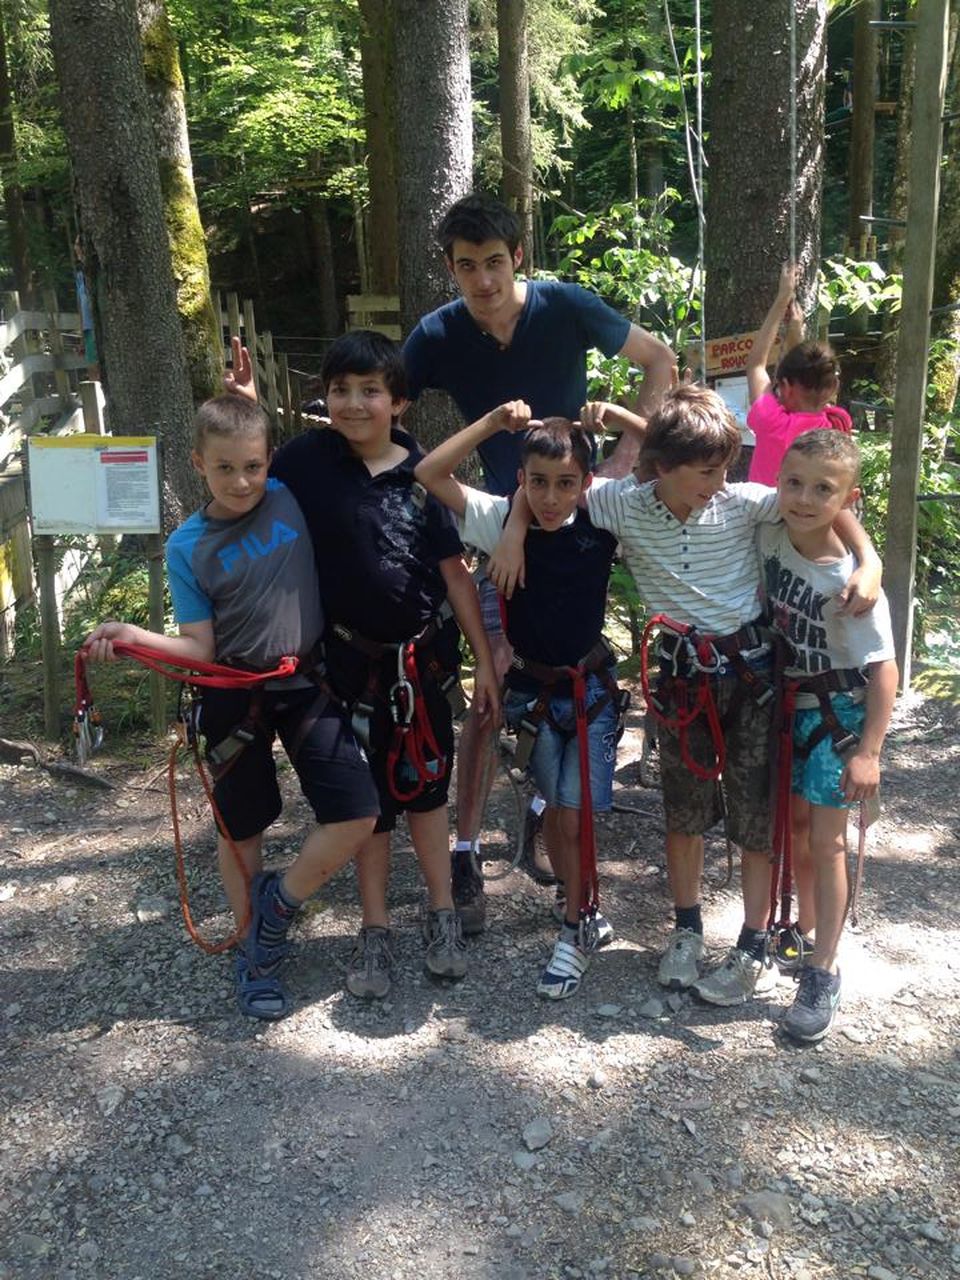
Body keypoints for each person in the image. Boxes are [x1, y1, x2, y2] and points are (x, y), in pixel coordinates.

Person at [402, 192, 677, 931]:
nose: (483, 281)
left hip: (570, 520)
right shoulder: (439, 333)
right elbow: (386, 404)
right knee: (489, 688)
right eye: (467, 267)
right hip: (500, 534)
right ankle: (465, 851)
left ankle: (544, 814)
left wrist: (621, 459)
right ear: (451, 269)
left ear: (517, 256)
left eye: (494, 262)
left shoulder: (565, 306)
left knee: (565, 671)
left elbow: (659, 360)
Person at [581, 384, 881, 1005]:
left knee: (754, 817)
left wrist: (869, 559)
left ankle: (752, 942)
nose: (721, 481)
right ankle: (686, 929)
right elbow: (549, 495)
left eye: (725, 468)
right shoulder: (622, 505)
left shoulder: (742, 504)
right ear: (664, 466)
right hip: (681, 682)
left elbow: (822, 502)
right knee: (683, 813)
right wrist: (510, 534)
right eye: (709, 471)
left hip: (750, 681)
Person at [83, 395, 380, 1021]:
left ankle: (277, 905)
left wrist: (249, 401)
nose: (242, 482)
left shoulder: (287, 494)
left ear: (269, 460)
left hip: (305, 681)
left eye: (252, 466)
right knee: (242, 827)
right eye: (225, 468)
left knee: (357, 812)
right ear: (198, 464)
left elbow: (321, 440)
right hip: (230, 693)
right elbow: (199, 646)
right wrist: (135, 636)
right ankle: (254, 952)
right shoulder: (187, 546)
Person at [263, 330, 499, 1000]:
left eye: (370, 390)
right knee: (370, 804)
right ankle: (375, 928)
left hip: (421, 663)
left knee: (425, 790)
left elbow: (455, 575)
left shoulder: (424, 472)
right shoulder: (306, 461)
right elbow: (245, 487)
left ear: (398, 402)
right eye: (340, 390)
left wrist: (485, 665)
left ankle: (442, 912)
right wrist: (246, 407)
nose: (353, 403)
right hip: (344, 663)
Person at [416, 403, 627, 998]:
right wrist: (491, 425)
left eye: (565, 484)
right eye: (538, 483)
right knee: (558, 812)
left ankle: (573, 931)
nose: (551, 497)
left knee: (573, 814)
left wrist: (618, 415)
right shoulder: (497, 522)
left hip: (589, 690)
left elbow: (660, 463)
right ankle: (581, 906)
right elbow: (430, 473)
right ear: (520, 480)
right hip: (534, 698)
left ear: (586, 483)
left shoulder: (602, 518)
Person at [760, 429, 897, 1040]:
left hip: (837, 714)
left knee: (828, 842)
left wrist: (870, 752)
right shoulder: (770, 531)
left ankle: (824, 969)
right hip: (786, 704)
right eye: (793, 483)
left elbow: (884, 669)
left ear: (848, 500)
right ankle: (808, 927)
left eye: (823, 490)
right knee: (794, 829)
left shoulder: (854, 585)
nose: (804, 498)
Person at [745, 262, 852, 487]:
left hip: (768, 510)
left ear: (785, 387)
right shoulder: (837, 424)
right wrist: (795, 331)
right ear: (833, 388)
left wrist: (781, 299)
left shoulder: (772, 422)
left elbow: (756, 365)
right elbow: (805, 373)